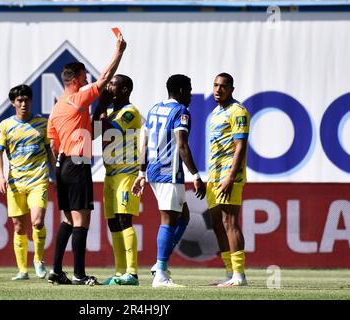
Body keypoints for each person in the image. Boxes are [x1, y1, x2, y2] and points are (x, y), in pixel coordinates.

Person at [46, 33, 127, 285]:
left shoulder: (57, 107)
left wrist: (57, 171)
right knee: (82, 220)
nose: (87, 80)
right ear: (74, 80)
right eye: (83, 76)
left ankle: (57, 271)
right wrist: (120, 51)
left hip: (62, 165)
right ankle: (79, 275)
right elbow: (104, 79)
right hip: (77, 164)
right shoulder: (78, 98)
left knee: (68, 219)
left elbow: (53, 144)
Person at [132, 74, 206, 288]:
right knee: (169, 220)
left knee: (183, 216)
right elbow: (182, 145)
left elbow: (144, 142)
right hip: (169, 173)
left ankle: (159, 264)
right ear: (182, 90)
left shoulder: (155, 109)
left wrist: (141, 173)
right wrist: (196, 176)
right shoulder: (181, 112)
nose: (191, 95)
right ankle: (161, 274)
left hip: (155, 171)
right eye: (189, 90)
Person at [0, 84, 50, 281]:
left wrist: (56, 174)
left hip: (38, 180)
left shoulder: (43, 124)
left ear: (31, 101)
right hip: (16, 182)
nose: (23, 103)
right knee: (19, 227)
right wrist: (1, 176)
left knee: (38, 221)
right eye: (19, 100)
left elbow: (50, 151)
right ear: (13, 103)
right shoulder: (6, 126)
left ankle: (39, 260)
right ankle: (22, 270)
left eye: (26, 100)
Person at [92, 74, 141, 286]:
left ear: (125, 90)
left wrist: (103, 109)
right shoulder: (111, 111)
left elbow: (111, 132)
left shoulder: (130, 112)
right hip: (110, 174)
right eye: (109, 83)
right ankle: (120, 272)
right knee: (112, 223)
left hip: (127, 173)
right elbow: (94, 131)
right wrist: (101, 104)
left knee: (124, 220)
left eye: (114, 84)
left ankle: (133, 272)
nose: (109, 87)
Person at [207, 73, 250, 287]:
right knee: (217, 223)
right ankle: (229, 272)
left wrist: (231, 177)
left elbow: (240, 146)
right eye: (215, 85)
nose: (218, 89)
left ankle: (239, 275)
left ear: (232, 89)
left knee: (230, 222)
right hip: (213, 176)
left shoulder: (238, 111)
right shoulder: (216, 112)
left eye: (223, 86)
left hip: (228, 176)